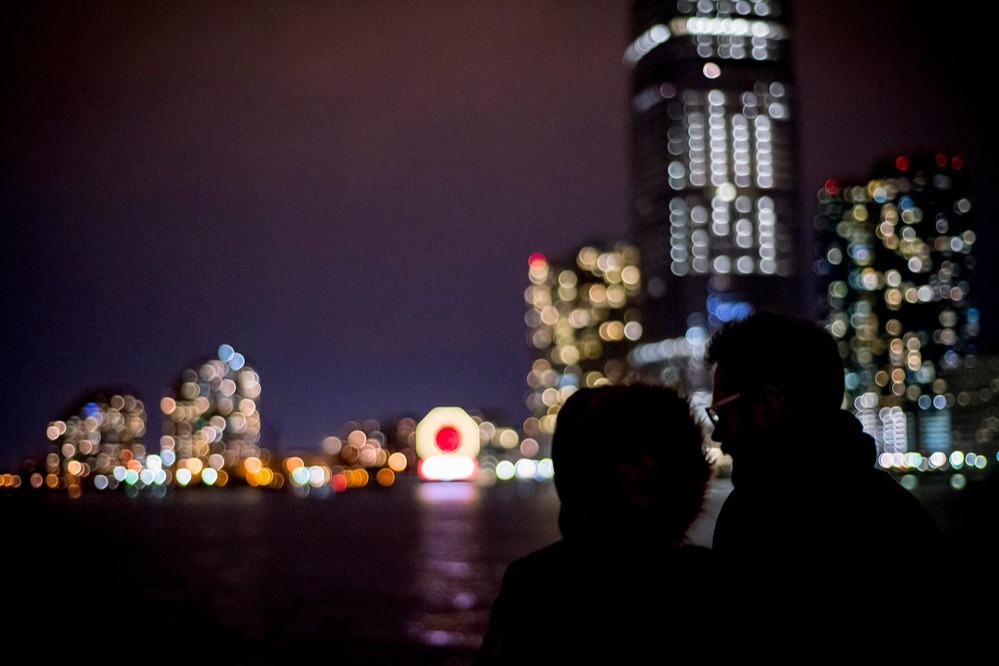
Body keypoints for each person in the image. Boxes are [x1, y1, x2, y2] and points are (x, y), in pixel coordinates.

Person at [704, 311, 950, 624]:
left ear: (767, 406)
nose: (717, 433)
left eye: (719, 414)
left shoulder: (753, 518)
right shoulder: (900, 512)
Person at [474, 383, 717, 664]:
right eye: (630, 450)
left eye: (660, 451)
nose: (648, 464)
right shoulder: (707, 577)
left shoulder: (538, 586)